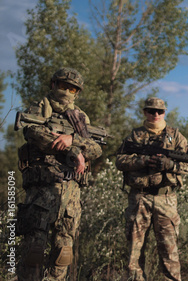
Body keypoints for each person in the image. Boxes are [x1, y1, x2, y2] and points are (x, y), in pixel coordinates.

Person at [16, 67, 103, 280]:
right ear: (53, 85)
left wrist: (73, 140)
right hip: (42, 187)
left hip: (71, 190)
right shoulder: (38, 109)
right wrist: (74, 151)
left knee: (64, 250)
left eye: (73, 89)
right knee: (33, 249)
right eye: (63, 86)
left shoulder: (80, 118)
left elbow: (96, 149)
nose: (67, 92)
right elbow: (37, 135)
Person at [115, 97, 188, 281]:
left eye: (159, 111)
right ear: (145, 112)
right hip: (139, 198)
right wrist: (142, 161)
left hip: (165, 199)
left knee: (169, 251)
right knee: (134, 251)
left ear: (165, 113)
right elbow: (120, 160)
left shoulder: (176, 136)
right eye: (151, 111)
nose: (155, 115)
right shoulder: (135, 136)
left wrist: (169, 165)